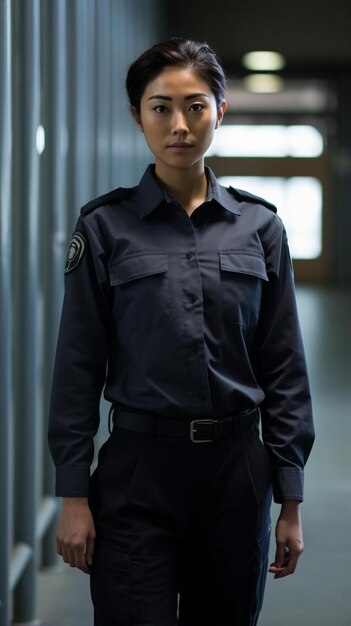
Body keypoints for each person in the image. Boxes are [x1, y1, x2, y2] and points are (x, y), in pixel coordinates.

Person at [48, 37, 315, 626]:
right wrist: (72, 495)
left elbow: (285, 367)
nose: (179, 124)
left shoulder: (260, 228)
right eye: (160, 107)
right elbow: (78, 365)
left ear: (221, 111)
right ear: (137, 116)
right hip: (138, 473)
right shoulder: (104, 227)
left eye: (195, 106)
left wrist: (289, 499)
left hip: (237, 475)